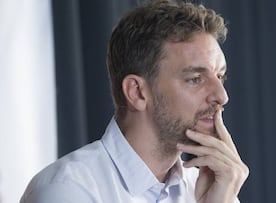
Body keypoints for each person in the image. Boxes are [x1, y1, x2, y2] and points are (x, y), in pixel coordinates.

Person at [20, 0, 249, 202]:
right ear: (137, 92)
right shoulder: (66, 190)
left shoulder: (212, 190)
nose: (221, 96)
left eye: (220, 76)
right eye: (195, 79)